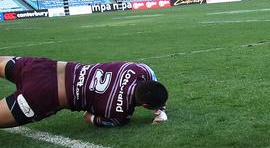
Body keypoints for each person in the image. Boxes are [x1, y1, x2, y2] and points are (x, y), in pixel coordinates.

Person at [0, 56, 168, 128]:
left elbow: (152, 79)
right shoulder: (120, 115)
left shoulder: (140, 69)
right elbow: (87, 117)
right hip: (44, 96)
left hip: (47, 67)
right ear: (144, 105)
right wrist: (160, 111)